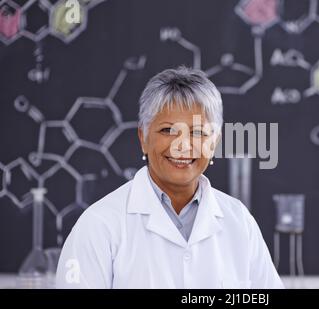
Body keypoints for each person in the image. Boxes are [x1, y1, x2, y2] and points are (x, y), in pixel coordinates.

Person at [56, 67, 284, 289]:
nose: (183, 144)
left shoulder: (239, 222)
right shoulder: (99, 224)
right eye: (167, 130)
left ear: (214, 142)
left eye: (197, 132)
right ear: (143, 137)